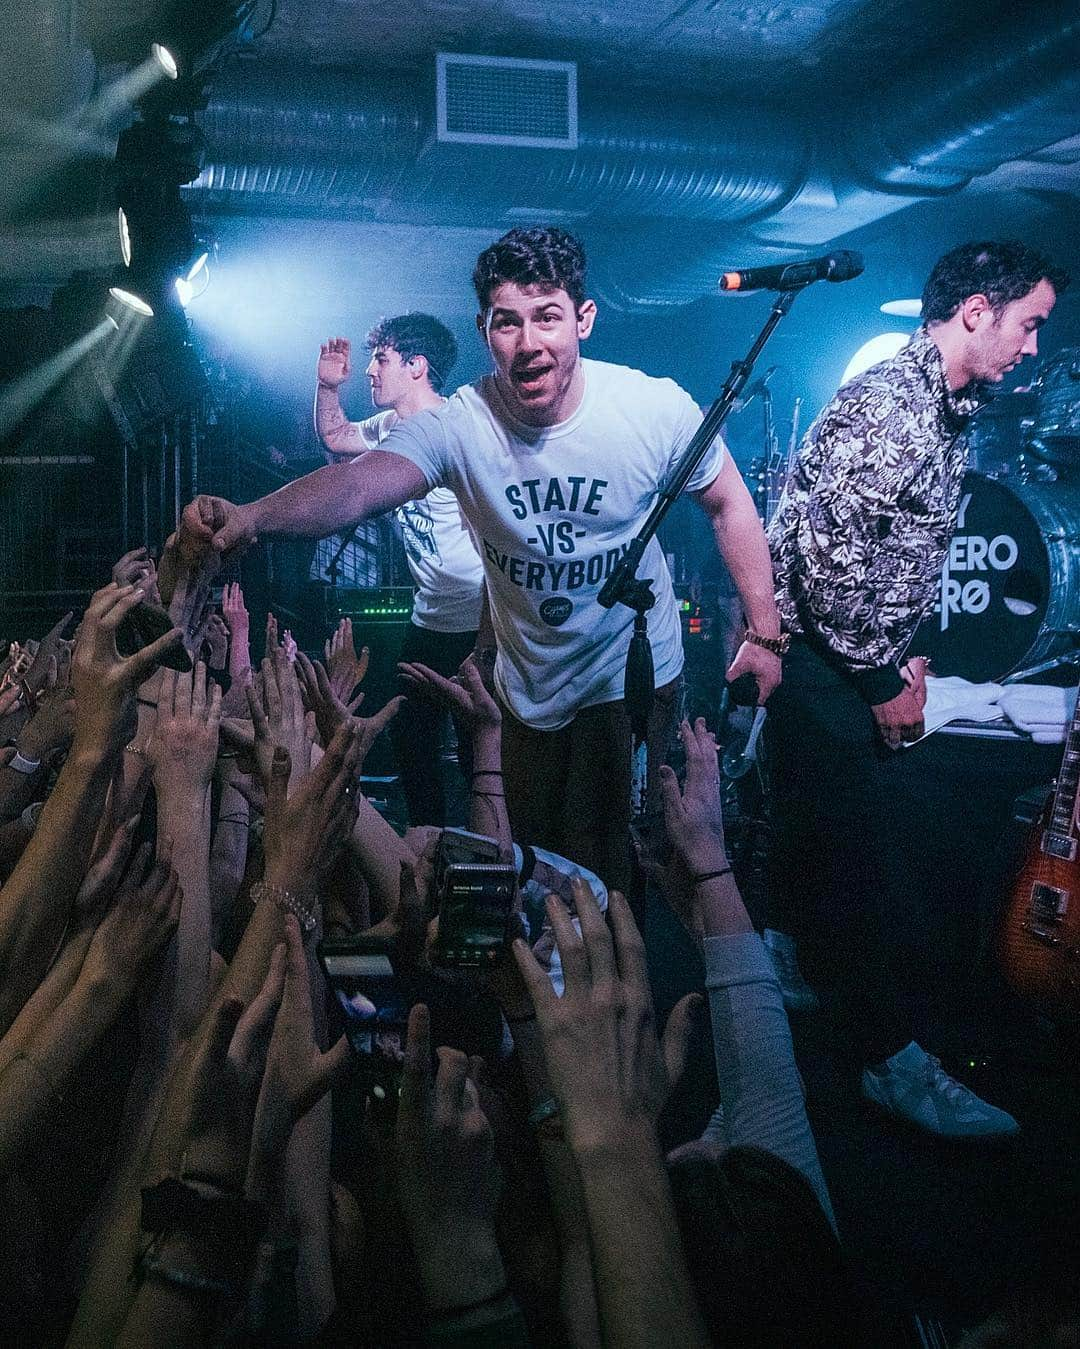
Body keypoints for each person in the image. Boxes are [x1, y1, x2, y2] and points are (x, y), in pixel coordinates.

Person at [178, 226, 782, 893]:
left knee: (611, 857)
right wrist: (252, 515)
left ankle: (618, 987)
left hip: (630, 674)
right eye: (507, 323)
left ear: (583, 319)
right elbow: (355, 484)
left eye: (547, 317)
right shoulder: (461, 424)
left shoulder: (649, 409)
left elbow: (729, 503)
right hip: (524, 680)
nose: (529, 344)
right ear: (483, 328)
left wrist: (764, 631)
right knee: (523, 853)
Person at [764, 239, 1069, 1137]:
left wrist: (904, 651)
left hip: (850, 656)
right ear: (977, 311)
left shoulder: (950, 404)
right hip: (826, 666)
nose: (1034, 348)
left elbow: (887, 547)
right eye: (1029, 324)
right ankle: (887, 1063)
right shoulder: (894, 407)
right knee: (865, 868)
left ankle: (809, 1019)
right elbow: (824, 567)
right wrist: (877, 676)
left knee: (830, 859)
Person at [314, 316, 485, 826]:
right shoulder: (390, 428)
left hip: (478, 622)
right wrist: (326, 386)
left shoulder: (459, 429)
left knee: (481, 751)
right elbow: (336, 435)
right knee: (412, 743)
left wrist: (495, 634)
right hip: (429, 620)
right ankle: (428, 852)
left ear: (417, 366)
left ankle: (493, 861)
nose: (369, 370)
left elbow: (493, 529)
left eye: (381, 359)